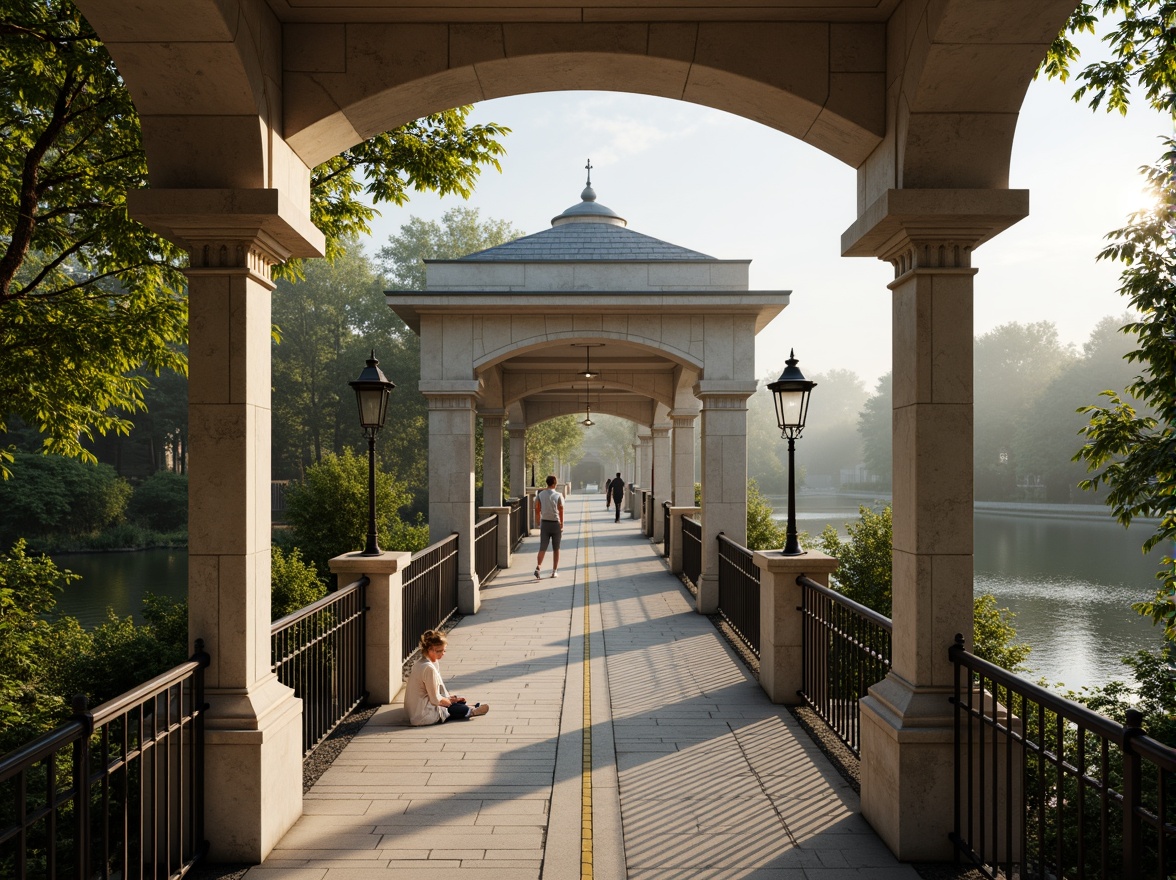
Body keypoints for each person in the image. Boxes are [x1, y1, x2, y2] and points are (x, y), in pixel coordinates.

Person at [405, 630, 490, 726]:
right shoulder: (428, 668)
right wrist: (450, 701)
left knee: (456, 702)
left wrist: (450, 698)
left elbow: (435, 692)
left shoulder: (422, 662)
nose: (442, 653)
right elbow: (436, 700)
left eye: (444, 650)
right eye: (439, 651)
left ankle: (469, 707)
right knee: (453, 707)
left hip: (416, 710)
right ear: (429, 649)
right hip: (423, 716)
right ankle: (470, 710)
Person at [534, 474, 564, 578]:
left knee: (542, 547)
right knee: (556, 548)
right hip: (555, 524)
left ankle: (538, 566)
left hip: (545, 523)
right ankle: (554, 571)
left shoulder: (540, 495)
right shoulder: (558, 495)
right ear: (555, 483)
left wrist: (538, 521)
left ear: (547, 483)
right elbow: (561, 510)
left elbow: (537, 509)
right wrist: (561, 524)